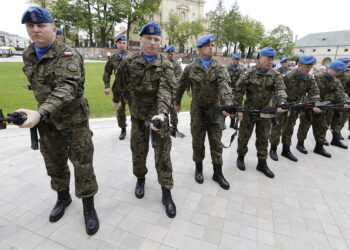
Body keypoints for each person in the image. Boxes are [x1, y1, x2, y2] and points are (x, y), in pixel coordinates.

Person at [19, 6, 99, 235]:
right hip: (47, 122)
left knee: (82, 164)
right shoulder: (28, 54)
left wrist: (40, 112)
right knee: (53, 163)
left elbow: (68, 88)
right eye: (30, 26)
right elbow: (39, 88)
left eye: (41, 25)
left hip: (74, 120)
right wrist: (33, 113)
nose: (35, 30)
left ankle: (88, 207)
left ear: (53, 29)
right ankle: (63, 198)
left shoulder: (68, 54)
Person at [112, 21, 176, 218]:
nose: (153, 42)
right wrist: (116, 99)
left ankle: (166, 192)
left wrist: (162, 113)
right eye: (149, 38)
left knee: (163, 155)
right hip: (138, 117)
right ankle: (140, 179)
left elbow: (166, 91)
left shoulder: (166, 64)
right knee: (138, 152)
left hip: (159, 118)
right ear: (140, 39)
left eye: (157, 39)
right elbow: (119, 83)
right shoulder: (128, 62)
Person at [175, 34, 232, 190]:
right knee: (198, 142)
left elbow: (224, 86)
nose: (211, 48)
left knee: (216, 143)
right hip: (198, 111)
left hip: (215, 111)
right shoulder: (191, 68)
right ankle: (198, 168)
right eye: (208, 46)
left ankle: (217, 173)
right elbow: (181, 86)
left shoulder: (219, 67)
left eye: (213, 45)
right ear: (199, 49)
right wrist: (177, 102)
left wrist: (228, 104)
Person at [233, 47, 287, 178]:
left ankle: (262, 163)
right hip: (249, 111)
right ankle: (240, 157)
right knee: (244, 136)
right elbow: (238, 92)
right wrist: (238, 110)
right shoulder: (249, 73)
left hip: (265, 112)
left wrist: (281, 102)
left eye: (272, 59)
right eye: (268, 59)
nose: (271, 61)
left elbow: (280, 90)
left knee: (263, 138)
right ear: (260, 58)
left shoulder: (275, 75)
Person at [269, 55, 321, 162]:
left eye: (311, 67)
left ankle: (286, 149)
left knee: (290, 127)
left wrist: (316, 104)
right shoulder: (288, 76)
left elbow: (315, 92)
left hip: (295, 106)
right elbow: (277, 91)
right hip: (282, 105)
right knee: (277, 127)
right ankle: (273, 148)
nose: (309, 69)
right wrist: (279, 103)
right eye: (307, 67)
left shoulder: (309, 78)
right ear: (299, 65)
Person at [296, 60, 350, 157]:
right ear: (329, 68)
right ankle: (300, 144)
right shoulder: (315, 77)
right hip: (310, 106)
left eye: (339, 72)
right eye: (335, 71)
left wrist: (346, 101)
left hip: (323, 108)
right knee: (304, 126)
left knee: (321, 127)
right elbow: (309, 92)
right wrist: (314, 104)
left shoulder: (336, 81)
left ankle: (319, 147)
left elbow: (341, 93)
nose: (337, 73)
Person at [103, 35, 129, 140]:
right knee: (120, 110)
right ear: (116, 44)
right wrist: (107, 86)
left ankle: (140, 128)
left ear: (126, 44)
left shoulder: (132, 57)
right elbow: (107, 72)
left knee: (136, 109)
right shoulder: (113, 58)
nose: (122, 44)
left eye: (124, 43)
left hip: (131, 88)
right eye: (120, 42)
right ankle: (123, 129)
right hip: (118, 88)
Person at [163, 45, 183, 131]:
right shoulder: (162, 62)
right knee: (164, 108)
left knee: (174, 109)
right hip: (164, 89)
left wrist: (173, 82)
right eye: (168, 53)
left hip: (174, 89)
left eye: (172, 53)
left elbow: (180, 76)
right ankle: (165, 125)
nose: (170, 55)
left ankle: (174, 126)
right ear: (166, 53)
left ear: (174, 53)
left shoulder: (177, 64)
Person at [227, 53, 244, 128]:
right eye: (236, 60)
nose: (237, 61)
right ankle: (227, 121)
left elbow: (241, 78)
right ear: (233, 60)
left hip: (237, 90)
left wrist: (236, 86)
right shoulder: (228, 67)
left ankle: (234, 122)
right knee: (228, 105)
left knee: (238, 105)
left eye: (238, 60)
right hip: (228, 89)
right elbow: (225, 77)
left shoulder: (241, 68)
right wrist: (229, 86)